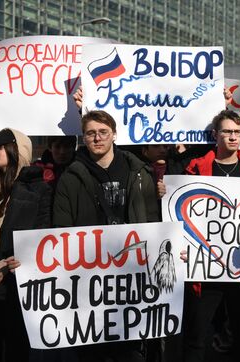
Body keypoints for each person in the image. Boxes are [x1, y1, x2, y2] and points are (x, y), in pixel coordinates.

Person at [52, 110, 159, 362]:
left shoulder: (140, 172)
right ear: (83, 138)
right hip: (90, 276)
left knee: (131, 350)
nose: (97, 138)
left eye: (103, 132)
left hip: (132, 275)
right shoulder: (70, 177)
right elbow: (62, 229)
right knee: (93, 350)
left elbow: (153, 222)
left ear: (114, 135)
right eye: (90, 133)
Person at [182, 109, 240, 362]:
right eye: (227, 131)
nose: (233, 137)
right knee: (196, 336)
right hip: (205, 268)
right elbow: (182, 213)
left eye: (237, 132)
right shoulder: (196, 169)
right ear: (216, 135)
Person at [0, 128, 52, 362]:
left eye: (1, 146)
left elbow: (41, 238)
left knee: (14, 351)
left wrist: (6, 263)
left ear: (18, 150)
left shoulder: (39, 189)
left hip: (15, 288)